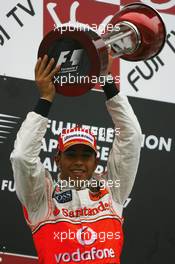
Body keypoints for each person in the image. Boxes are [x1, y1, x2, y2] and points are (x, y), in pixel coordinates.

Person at [10, 54, 142, 264]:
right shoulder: (41, 201)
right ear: (57, 159)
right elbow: (21, 157)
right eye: (71, 155)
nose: (79, 162)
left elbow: (132, 136)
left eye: (86, 155)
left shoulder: (112, 190)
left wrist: (106, 78)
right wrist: (45, 98)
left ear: (95, 162)